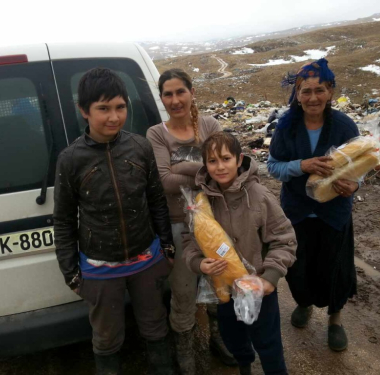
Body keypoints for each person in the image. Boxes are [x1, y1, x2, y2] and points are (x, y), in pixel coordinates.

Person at [53, 67, 175, 375]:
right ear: (84, 111)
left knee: (156, 328)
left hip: (146, 260)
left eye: (120, 107)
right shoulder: (70, 159)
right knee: (107, 340)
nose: (113, 117)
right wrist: (71, 272)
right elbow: (64, 220)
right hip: (98, 267)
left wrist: (167, 247)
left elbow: (156, 200)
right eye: (103, 108)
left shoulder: (139, 147)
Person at [183, 132, 297, 375]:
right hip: (224, 288)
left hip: (259, 289)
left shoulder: (259, 196)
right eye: (212, 161)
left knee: (268, 342)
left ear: (239, 159)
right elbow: (191, 242)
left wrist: (269, 279)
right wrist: (199, 263)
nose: (220, 166)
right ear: (205, 165)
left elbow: (284, 240)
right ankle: (244, 366)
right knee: (233, 337)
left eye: (226, 158)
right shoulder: (201, 202)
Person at [146, 68, 235, 374]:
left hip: (216, 221)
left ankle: (217, 336)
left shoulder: (210, 125)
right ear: (161, 98)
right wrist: (204, 170)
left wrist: (181, 166)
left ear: (192, 92)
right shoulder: (156, 134)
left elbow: (225, 171)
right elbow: (162, 181)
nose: (175, 100)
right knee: (183, 291)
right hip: (179, 223)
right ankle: (184, 346)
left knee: (220, 281)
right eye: (167, 94)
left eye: (180, 92)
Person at [267, 58, 359, 352]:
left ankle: (335, 318)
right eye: (305, 91)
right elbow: (273, 167)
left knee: (335, 268)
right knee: (299, 267)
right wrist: (301, 165)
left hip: (334, 213)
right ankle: (304, 303)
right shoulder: (286, 127)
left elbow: (362, 167)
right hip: (296, 211)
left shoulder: (344, 126)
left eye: (319, 90)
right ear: (296, 94)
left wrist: (355, 185)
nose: (312, 98)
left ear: (330, 91)